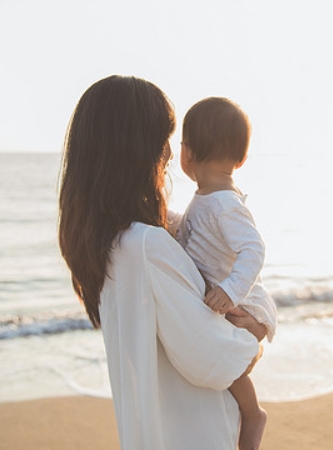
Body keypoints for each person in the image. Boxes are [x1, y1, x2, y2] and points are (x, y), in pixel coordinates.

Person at [58, 75, 266, 450]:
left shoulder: (109, 244)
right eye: (162, 143)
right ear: (135, 152)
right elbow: (212, 358)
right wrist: (254, 338)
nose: (170, 156)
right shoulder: (146, 246)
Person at [170, 97, 276, 450]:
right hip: (228, 296)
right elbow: (194, 232)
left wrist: (231, 290)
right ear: (241, 158)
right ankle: (245, 411)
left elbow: (254, 249)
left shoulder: (225, 203)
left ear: (185, 152)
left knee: (228, 362)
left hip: (242, 300)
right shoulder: (207, 196)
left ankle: (253, 412)